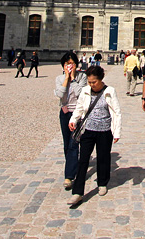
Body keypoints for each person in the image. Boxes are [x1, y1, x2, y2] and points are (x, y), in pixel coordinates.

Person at [67, 65, 121, 206]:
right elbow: (79, 107)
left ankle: (102, 183)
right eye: (89, 82)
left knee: (103, 158)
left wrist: (117, 132)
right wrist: (73, 119)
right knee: (83, 160)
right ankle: (77, 192)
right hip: (89, 130)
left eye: (94, 82)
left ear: (101, 80)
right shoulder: (85, 91)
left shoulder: (109, 91)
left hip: (104, 131)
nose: (91, 85)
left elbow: (116, 112)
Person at [54, 51, 88, 190]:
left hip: (77, 114)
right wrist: (66, 79)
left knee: (74, 143)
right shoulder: (59, 79)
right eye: (67, 64)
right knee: (67, 143)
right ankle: (72, 165)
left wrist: (73, 79)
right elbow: (60, 95)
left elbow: (81, 94)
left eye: (72, 63)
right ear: (63, 65)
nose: (70, 66)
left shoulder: (82, 77)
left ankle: (69, 176)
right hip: (65, 114)